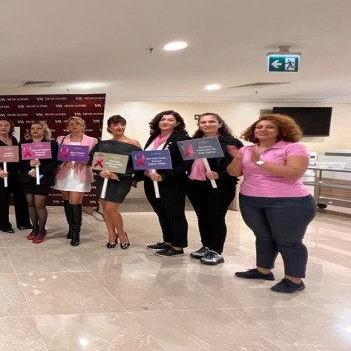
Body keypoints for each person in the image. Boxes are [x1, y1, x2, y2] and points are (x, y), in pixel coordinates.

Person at [227, 114, 315, 293]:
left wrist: (259, 161)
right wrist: (238, 158)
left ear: (280, 130)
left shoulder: (294, 148)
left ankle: (294, 280)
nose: (263, 129)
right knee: (263, 237)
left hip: (289, 202)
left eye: (269, 127)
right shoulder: (247, 149)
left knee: (288, 241)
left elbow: (294, 173)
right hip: (251, 199)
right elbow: (233, 173)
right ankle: (263, 270)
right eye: (259, 127)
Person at [186, 113, 243, 265]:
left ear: (220, 124)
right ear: (199, 125)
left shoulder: (231, 142)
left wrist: (220, 174)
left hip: (220, 186)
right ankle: (206, 246)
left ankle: (216, 251)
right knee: (202, 217)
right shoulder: (193, 143)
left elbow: (240, 165)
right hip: (195, 185)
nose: (207, 124)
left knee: (216, 218)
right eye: (203, 122)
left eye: (211, 121)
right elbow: (187, 162)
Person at [136, 110, 191, 257]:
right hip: (151, 182)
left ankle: (178, 246)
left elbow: (185, 164)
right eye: (162, 119)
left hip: (171, 183)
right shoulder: (153, 137)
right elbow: (145, 159)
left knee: (175, 214)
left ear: (177, 123)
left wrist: (164, 176)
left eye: (170, 120)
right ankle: (168, 241)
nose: (165, 122)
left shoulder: (183, 140)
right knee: (161, 212)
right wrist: (137, 177)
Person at [90, 115, 141, 249]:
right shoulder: (102, 144)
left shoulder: (134, 143)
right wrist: (100, 171)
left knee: (110, 209)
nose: (120, 127)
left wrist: (119, 173)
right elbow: (92, 160)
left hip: (122, 180)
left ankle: (122, 234)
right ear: (109, 128)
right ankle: (111, 235)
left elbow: (139, 164)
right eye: (116, 124)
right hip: (103, 180)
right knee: (105, 209)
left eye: (122, 124)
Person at [53, 116, 98, 246]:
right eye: (71, 124)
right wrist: (64, 162)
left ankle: (76, 233)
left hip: (80, 175)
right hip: (64, 175)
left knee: (75, 202)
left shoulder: (92, 140)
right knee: (67, 201)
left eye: (77, 123)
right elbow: (56, 156)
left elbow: (95, 158)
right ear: (68, 126)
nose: (74, 126)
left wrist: (84, 159)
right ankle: (70, 227)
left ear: (83, 126)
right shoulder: (61, 139)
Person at [18, 121, 60, 244]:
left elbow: (57, 160)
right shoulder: (24, 143)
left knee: (39, 204)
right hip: (28, 177)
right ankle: (34, 229)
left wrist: (41, 169)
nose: (35, 130)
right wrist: (29, 164)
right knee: (30, 203)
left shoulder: (52, 144)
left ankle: (41, 230)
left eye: (38, 128)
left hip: (43, 177)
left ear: (44, 130)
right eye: (33, 128)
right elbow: (18, 161)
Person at [0, 118, 31, 233]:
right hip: (1, 174)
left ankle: (24, 222)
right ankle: (4, 224)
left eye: (6, 125)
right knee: (2, 199)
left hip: (15, 173)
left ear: (10, 128)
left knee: (21, 198)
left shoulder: (14, 139)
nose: (3, 127)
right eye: (0, 125)